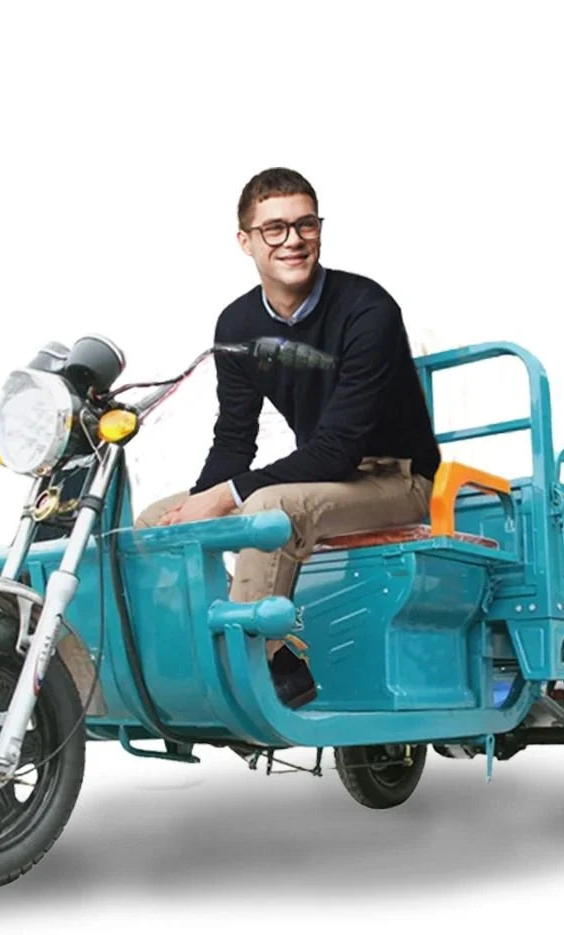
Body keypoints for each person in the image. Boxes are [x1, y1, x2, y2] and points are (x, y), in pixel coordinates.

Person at [135, 167, 441, 707]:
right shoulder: (237, 325)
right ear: (245, 241)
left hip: (395, 478)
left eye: (305, 225)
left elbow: (338, 449)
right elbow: (234, 440)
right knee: (157, 520)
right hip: (324, 475)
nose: (292, 240)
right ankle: (180, 659)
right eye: (274, 229)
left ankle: (263, 665)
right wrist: (198, 506)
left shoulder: (367, 310)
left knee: (270, 509)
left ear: (319, 229)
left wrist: (223, 498)